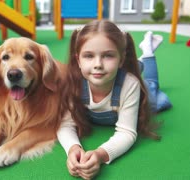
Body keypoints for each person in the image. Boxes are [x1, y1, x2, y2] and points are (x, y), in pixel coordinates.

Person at [57, 20, 172, 180]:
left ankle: (148, 52)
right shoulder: (73, 84)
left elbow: (126, 132)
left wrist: (100, 155)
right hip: (113, 74)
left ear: (121, 59)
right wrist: (72, 148)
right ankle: (137, 61)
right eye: (88, 56)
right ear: (78, 60)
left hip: (128, 84)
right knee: (127, 69)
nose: (97, 64)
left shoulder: (130, 84)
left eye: (108, 55)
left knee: (154, 90)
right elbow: (65, 125)